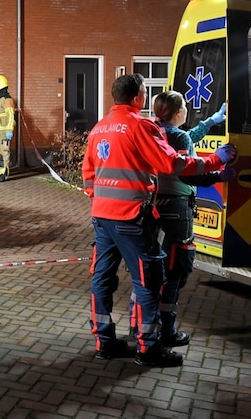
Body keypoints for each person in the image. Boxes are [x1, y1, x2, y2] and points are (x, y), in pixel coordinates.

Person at [82, 73, 236, 367]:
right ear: (138, 97)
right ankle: (148, 348)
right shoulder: (141, 126)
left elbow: (88, 174)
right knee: (149, 281)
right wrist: (216, 160)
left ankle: (104, 341)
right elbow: (172, 163)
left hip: (102, 218)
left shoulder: (99, 128)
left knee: (102, 279)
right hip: (131, 218)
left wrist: (100, 199)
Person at [149, 92, 235, 348]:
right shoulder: (178, 135)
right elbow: (189, 174)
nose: (186, 110)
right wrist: (219, 174)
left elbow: (184, 141)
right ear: (177, 112)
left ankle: (144, 323)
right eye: (184, 107)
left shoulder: (155, 131)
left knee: (156, 266)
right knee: (177, 269)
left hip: (156, 205)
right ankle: (167, 329)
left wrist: (210, 122)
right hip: (177, 208)